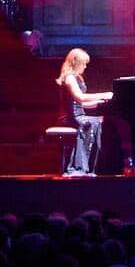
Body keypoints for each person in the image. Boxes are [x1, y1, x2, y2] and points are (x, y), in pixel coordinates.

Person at [57, 48, 111, 177]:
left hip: (77, 115)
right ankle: (77, 167)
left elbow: (81, 104)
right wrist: (105, 94)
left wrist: (101, 102)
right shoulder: (69, 78)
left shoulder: (78, 78)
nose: (85, 66)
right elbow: (79, 97)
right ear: (76, 62)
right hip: (69, 117)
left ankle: (88, 167)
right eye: (84, 63)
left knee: (98, 121)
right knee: (88, 124)